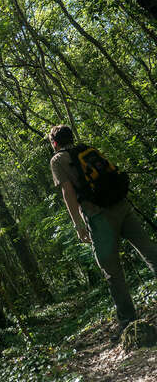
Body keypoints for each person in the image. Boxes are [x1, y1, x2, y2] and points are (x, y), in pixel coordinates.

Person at [48, 125, 157, 339]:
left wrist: (78, 225)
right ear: (71, 137)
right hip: (121, 205)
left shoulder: (57, 160)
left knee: (112, 271)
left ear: (54, 143)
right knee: (150, 251)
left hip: (99, 216)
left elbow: (67, 192)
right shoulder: (87, 149)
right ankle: (128, 323)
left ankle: (128, 323)